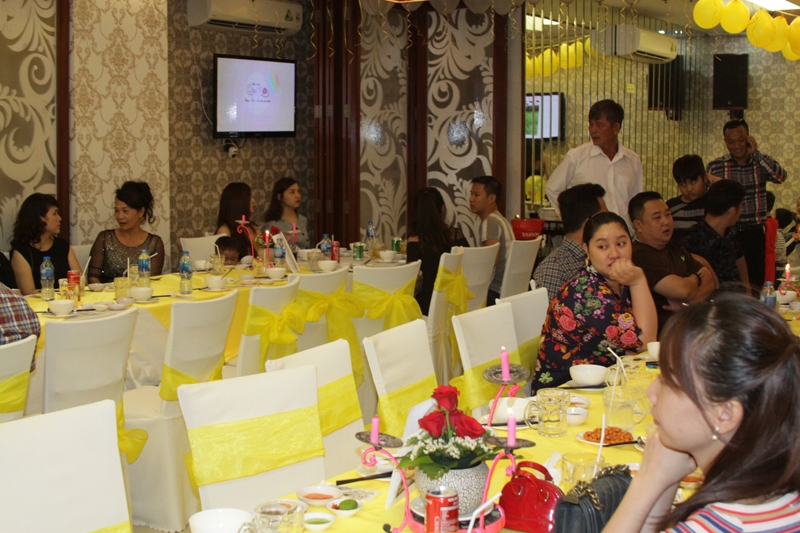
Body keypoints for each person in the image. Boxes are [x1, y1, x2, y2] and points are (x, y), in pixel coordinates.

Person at [603, 293, 800, 533]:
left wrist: (647, 481)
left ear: (725, 415)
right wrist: (663, 480)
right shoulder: (781, 498)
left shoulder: (719, 525)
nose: (651, 392)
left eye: (669, 381)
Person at [534, 212, 656, 389]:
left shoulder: (617, 279)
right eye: (602, 247)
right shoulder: (587, 293)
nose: (615, 254)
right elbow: (644, 343)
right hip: (565, 388)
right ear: (586, 249)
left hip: (602, 374)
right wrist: (639, 281)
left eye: (621, 244)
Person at [707, 118, 787, 290]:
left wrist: (757, 154)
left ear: (749, 139)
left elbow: (781, 177)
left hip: (754, 233)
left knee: (754, 283)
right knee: (727, 283)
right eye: (731, 142)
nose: (737, 146)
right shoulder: (716, 166)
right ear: (725, 142)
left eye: (741, 140)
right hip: (726, 232)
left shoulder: (760, 163)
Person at [545, 99, 642, 229]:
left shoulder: (632, 160)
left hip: (624, 233)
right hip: (589, 234)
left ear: (616, 128)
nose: (593, 130)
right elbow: (552, 188)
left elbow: (636, 202)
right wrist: (572, 221)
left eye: (599, 125)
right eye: (590, 124)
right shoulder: (576, 157)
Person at [629, 192, 715, 333]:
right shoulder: (639, 255)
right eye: (657, 217)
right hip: (663, 332)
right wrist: (695, 277)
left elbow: (709, 280)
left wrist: (686, 306)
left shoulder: (673, 246)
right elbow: (682, 291)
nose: (666, 221)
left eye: (668, 214)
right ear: (638, 225)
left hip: (687, 324)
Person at [533, 183, 607, 300]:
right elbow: (549, 311)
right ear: (589, 224)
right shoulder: (555, 268)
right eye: (604, 218)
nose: (609, 223)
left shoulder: (600, 256)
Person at [406, 187, 469, 315]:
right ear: (443, 208)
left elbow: (411, 276)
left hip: (428, 304)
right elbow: (469, 264)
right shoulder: (456, 235)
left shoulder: (415, 240)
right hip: (457, 299)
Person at [87, 181, 165, 284]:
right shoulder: (105, 238)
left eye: (125, 211)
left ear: (141, 212)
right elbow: (93, 276)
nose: (120, 216)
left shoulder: (154, 243)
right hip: (108, 292)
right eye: (117, 211)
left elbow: (152, 280)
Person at [679, 180, 748, 291]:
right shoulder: (694, 240)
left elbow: (740, 260)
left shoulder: (730, 234)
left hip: (736, 298)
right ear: (731, 212)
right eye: (741, 207)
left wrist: (747, 292)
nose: (741, 211)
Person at [11, 193, 81, 295]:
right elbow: (28, 292)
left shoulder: (63, 246)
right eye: (55, 213)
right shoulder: (22, 252)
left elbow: (80, 281)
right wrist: (61, 293)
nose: (59, 218)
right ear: (41, 218)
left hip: (69, 301)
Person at [469, 176, 514, 306]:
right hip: (507, 289)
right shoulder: (501, 219)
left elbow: (491, 260)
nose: (471, 199)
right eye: (471, 194)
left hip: (494, 291)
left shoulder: (490, 222)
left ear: (491, 198)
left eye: (476, 195)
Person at [667, 155, 710, 241]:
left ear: (705, 178)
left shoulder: (713, 203)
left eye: (693, 182)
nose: (689, 189)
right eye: (682, 184)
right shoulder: (671, 207)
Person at [216, 182, 260, 260]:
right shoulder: (225, 230)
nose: (254, 201)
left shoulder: (253, 227)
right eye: (249, 197)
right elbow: (224, 261)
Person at [263, 178, 310, 250]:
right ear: (279, 197)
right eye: (292, 192)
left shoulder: (303, 220)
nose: (297, 195)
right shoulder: (272, 225)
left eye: (298, 191)